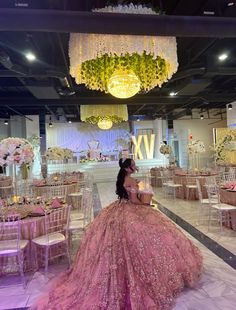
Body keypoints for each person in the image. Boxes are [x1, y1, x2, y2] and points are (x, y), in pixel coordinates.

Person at [31, 158, 202, 310]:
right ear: (128, 168)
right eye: (133, 164)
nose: (135, 166)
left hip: (119, 207)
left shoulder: (122, 178)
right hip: (131, 210)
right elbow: (135, 201)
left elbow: (128, 196)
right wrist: (147, 204)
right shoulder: (130, 180)